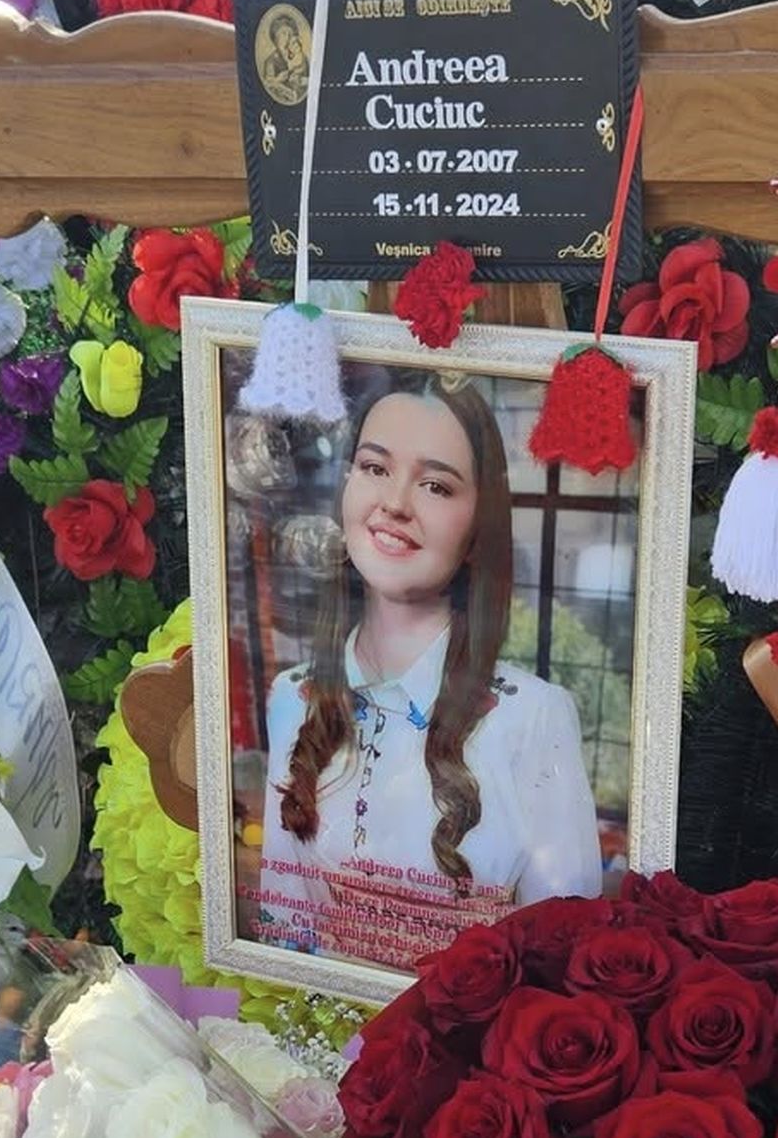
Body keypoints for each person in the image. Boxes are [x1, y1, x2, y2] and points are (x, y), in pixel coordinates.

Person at [252, 377, 604, 977]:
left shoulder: (534, 716)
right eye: (375, 468)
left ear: (477, 527)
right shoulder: (292, 695)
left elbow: (564, 960)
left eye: (436, 485)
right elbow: (283, 931)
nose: (395, 503)